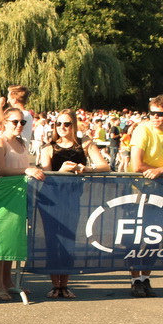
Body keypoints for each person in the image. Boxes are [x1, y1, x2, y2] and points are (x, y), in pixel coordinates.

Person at [26, 109, 107, 300]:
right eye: (59, 124)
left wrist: (85, 168)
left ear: (74, 125)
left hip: (73, 199)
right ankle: (55, 285)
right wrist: (61, 171)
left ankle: (65, 284)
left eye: (67, 124)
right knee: (52, 241)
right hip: (51, 200)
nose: (62, 128)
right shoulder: (48, 148)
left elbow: (105, 166)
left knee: (69, 240)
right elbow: (45, 174)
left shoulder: (85, 144)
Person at [124, 95, 163, 297]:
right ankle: (134, 280)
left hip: (161, 189)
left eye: (160, 114)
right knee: (135, 236)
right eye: (152, 114)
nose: (155, 118)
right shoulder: (143, 129)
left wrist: (160, 171)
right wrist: (161, 170)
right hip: (138, 189)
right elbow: (138, 164)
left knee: (155, 237)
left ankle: (145, 278)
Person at [0, 107, 34, 301]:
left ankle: (8, 281)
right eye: (14, 122)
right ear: (4, 123)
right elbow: (0, 169)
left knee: (12, 240)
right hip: (3, 196)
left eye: (22, 122)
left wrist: (30, 170)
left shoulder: (21, 142)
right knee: (0, 242)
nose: (19, 125)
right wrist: (27, 170)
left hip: (19, 195)